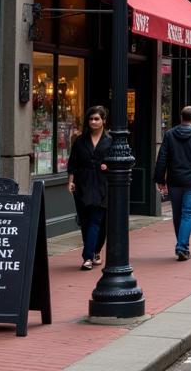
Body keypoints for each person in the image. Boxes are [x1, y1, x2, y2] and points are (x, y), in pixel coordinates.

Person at [153, 105, 191, 260]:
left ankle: (182, 245)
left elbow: (162, 158)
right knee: (188, 214)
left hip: (174, 180)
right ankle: (182, 247)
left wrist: (160, 179)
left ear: (182, 118)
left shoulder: (169, 135)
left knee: (178, 213)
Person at [67, 105, 111, 270]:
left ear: (103, 121)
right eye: (91, 119)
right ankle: (95, 251)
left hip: (102, 184)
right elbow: (73, 162)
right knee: (85, 221)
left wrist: (109, 166)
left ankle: (88, 256)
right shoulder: (80, 141)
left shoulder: (111, 141)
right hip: (83, 184)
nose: (93, 121)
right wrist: (70, 181)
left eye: (97, 119)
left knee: (97, 220)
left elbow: (120, 162)